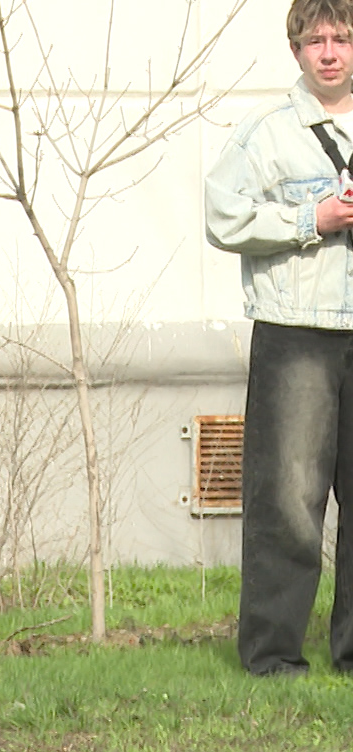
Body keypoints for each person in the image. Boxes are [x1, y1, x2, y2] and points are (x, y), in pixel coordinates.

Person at [205, 0, 353, 676]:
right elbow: (222, 215)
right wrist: (310, 217)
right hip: (298, 332)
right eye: (316, 40)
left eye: (342, 38)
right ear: (296, 50)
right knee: (289, 500)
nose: (329, 52)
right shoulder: (266, 133)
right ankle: (272, 658)